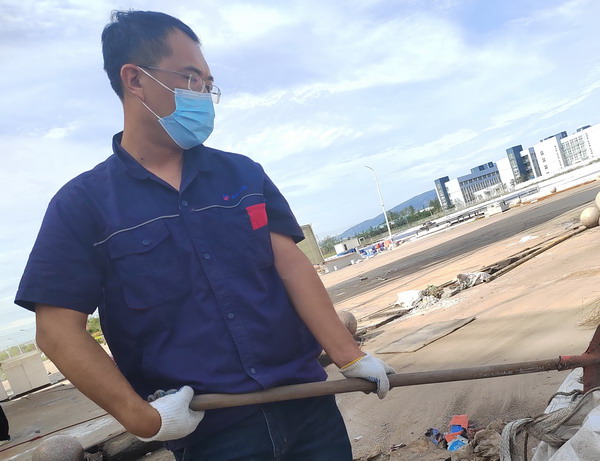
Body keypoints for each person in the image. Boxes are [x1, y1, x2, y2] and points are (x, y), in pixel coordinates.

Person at [15, 10, 395, 460]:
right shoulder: (81, 206)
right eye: (191, 78)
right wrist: (143, 418)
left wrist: (349, 355)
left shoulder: (243, 175)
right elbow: (57, 332)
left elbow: (291, 268)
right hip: (212, 432)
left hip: (307, 407)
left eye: (208, 83)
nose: (204, 94)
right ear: (135, 79)